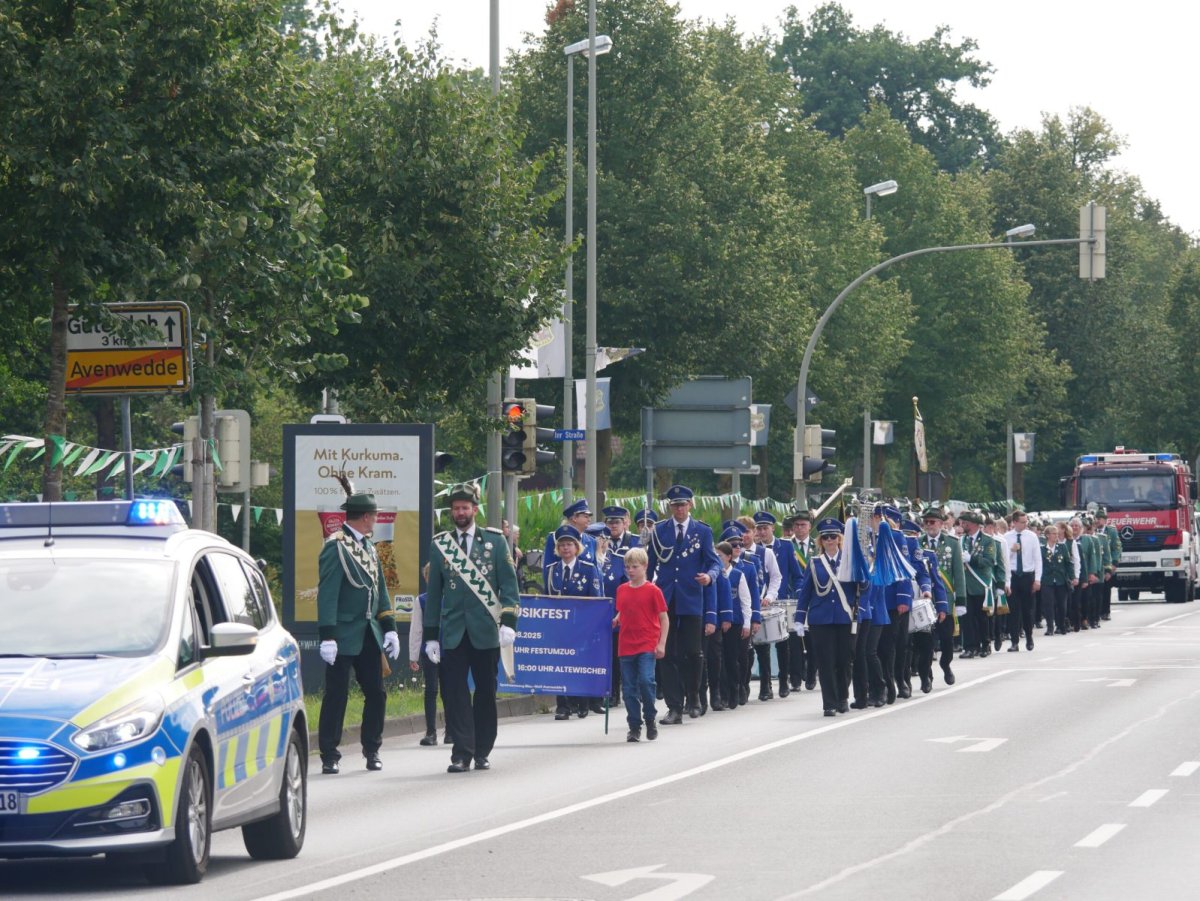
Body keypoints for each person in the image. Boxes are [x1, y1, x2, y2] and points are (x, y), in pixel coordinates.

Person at [424, 482, 520, 774]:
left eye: (465, 507)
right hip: (454, 632)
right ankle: (461, 753)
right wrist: (431, 638)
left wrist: (508, 623)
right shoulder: (440, 545)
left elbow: (509, 586)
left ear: (475, 510)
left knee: (485, 692)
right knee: (454, 694)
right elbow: (434, 596)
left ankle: (482, 750)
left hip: (485, 630)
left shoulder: (494, 541)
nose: (460, 512)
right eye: (455, 508)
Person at [317, 488, 402, 774]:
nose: (376, 521)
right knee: (336, 695)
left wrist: (389, 628)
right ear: (366, 517)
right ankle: (329, 753)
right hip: (342, 634)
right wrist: (327, 635)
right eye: (374, 516)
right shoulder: (335, 546)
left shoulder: (369, 547)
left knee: (376, 693)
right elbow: (327, 593)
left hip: (368, 632)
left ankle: (372, 748)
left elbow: (380, 591)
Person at [645, 484, 721, 724]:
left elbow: (714, 562)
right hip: (665, 599)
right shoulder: (659, 531)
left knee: (693, 652)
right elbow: (649, 566)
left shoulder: (702, 531)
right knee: (666, 653)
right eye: (675, 505)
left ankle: (694, 697)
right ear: (670, 507)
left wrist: (710, 577)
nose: (679, 508)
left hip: (691, 597)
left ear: (690, 505)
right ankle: (674, 706)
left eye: (683, 504)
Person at [793, 518, 854, 716]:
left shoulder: (850, 561)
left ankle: (842, 696)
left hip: (844, 617)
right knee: (825, 662)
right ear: (821, 540)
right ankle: (829, 703)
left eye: (833, 536)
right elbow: (805, 592)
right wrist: (799, 619)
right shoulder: (814, 562)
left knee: (843, 661)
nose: (829, 540)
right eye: (825, 537)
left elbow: (860, 588)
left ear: (839, 538)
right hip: (821, 619)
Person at [546, 524, 603, 719]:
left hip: (582, 625)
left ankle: (583, 702)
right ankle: (563, 705)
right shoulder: (551, 569)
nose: (565, 548)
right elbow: (548, 598)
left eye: (569, 544)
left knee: (580, 663)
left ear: (576, 547)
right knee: (560, 664)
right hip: (559, 627)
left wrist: (592, 626)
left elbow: (595, 600)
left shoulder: (588, 569)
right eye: (562, 545)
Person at [614, 548, 668, 742]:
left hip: (647, 642)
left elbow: (664, 618)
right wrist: (617, 618)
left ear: (645, 567)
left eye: (635, 567)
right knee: (628, 689)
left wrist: (661, 643)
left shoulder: (653, 591)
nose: (630, 570)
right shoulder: (621, 589)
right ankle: (634, 725)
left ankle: (650, 717)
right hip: (626, 644)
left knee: (646, 681)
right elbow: (625, 609)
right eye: (627, 567)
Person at [754, 511, 801, 699]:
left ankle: (783, 680)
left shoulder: (787, 547)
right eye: (759, 528)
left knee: (783, 644)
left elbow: (797, 576)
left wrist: (795, 596)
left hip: (780, 601)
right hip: (759, 602)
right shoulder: (753, 549)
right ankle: (766, 685)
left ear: (773, 528)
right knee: (761, 645)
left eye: (765, 528)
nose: (762, 532)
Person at [409, 563, 450, 747]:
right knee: (431, 690)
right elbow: (416, 629)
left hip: (449, 649)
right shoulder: (422, 600)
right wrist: (413, 655)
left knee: (449, 691)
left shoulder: (451, 598)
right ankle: (431, 732)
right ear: (426, 579)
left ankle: (451, 731)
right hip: (429, 650)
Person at [921, 507, 963, 685]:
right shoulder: (917, 543)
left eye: (932, 522)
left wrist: (961, 600)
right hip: (925, 600)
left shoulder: (952, 543)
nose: (929, 525)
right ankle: (926, 675)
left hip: (945, 599)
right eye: (926, 522)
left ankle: (946, 665)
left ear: (940, 523)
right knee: (925, 642)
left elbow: (958, 574)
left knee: (946, 641)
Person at [959, 511, 997, 659]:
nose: (963, 525)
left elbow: (990, 561)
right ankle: (970, 647)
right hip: (966, 584)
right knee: (967, 618)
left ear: (973, 524)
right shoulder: (962, 541)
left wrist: (972, 559)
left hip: (981, 584)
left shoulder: (988, 540)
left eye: (965, 523)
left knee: (982, 617)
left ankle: (985, 644)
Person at [1003, 511, 1041, 652]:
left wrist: (1037, 579)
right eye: (1022, 522)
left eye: (1026, 522)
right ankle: (1014, 641)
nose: (1025, 524)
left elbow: (1037, 559)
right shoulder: (1006, 537)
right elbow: (1004, 560)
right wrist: (1012, 550)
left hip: (1027, 575)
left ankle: (1029, 637)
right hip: (1013, 576)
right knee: (1013, 611)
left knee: (1028, 610)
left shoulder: (1031, 537)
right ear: (1014, 522)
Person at [543, 498, 597, 584]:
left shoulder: (591, 541)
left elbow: (595, 571)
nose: (589, 520)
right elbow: (548, 569)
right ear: (575, 518)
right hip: (561, 589)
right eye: (586, 516)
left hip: (585, 593)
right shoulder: (554, 538)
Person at [1040, 524, 1071, 637]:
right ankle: (1050, 627)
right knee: (1048, 604)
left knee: (1061, 604)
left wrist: (1071, 577)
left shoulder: (1062, 547)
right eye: (1054, 533)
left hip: (1060, 580)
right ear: (1047, 535)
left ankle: (1061, 625)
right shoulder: (1042, 549)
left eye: (1057, 534)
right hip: (1047, 580)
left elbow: (1068, 563)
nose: (1056, 536)